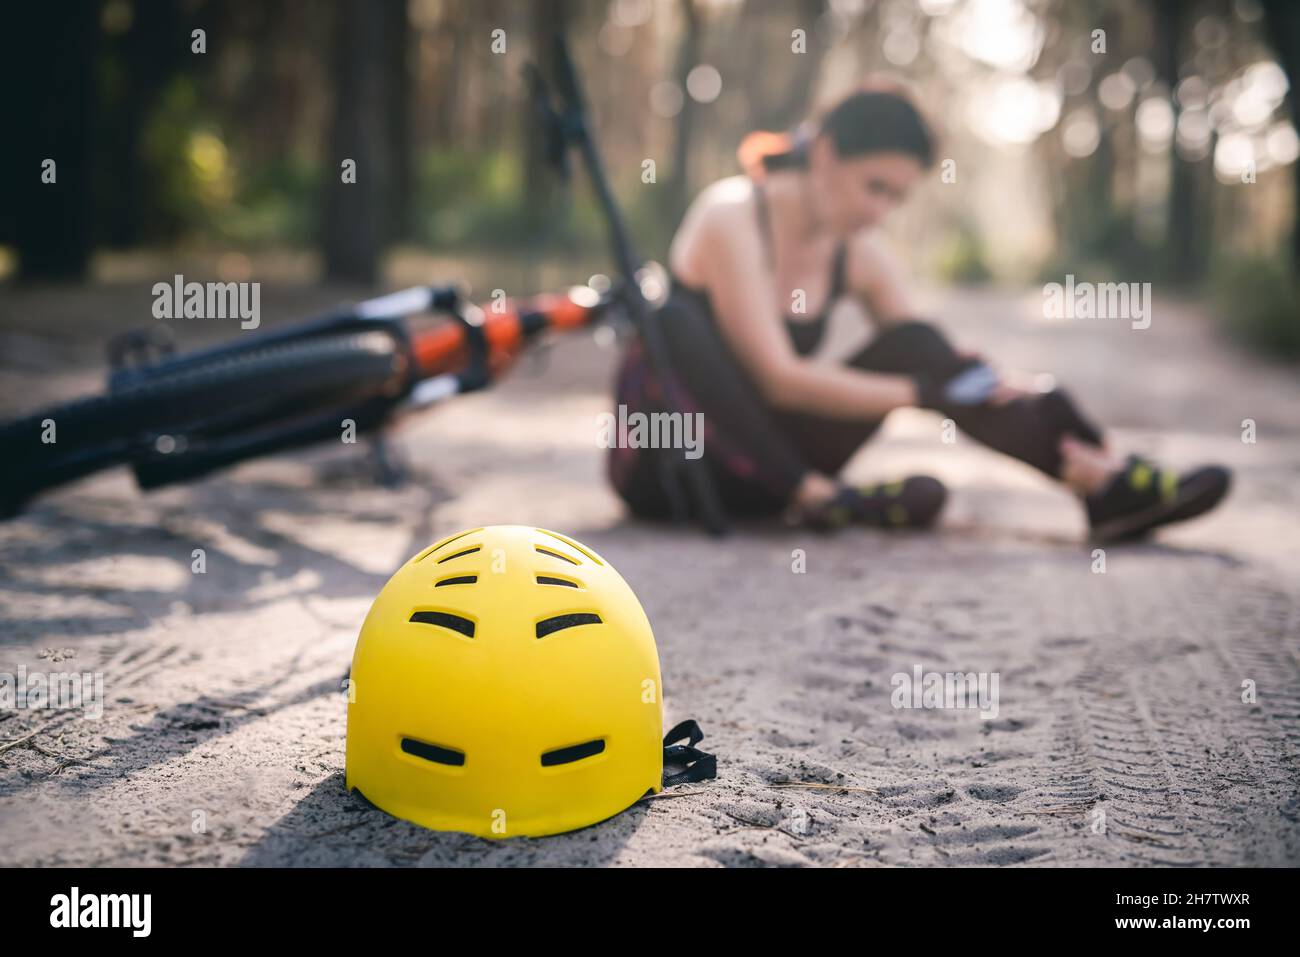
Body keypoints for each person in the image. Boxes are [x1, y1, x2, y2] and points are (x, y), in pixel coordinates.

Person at [605, 79, 1230, 541]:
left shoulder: (862, 254)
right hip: (674, 473)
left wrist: (1030, 401)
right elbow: (778, 379)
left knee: (923, 346)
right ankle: (823, 498)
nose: (880, 212)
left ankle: (1102, 480)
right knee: (673, 319)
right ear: (823, 154)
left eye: (897, 199)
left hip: (772, 473)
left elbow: (937, 365)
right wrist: (922, 391)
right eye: (874, 187)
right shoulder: (731, 216)